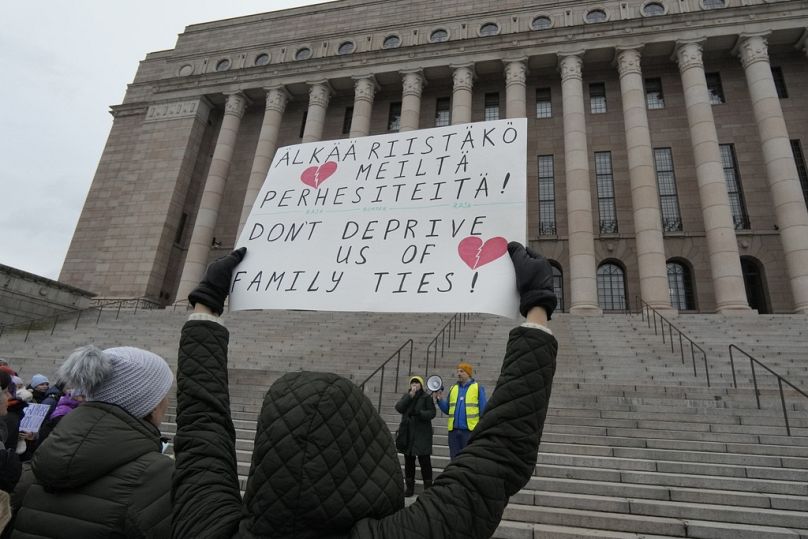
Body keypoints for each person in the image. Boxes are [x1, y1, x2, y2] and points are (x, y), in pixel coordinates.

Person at [172, 240, 558, 538]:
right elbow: (501, 453)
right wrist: (537, 307)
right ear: (366, 450)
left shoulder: (205, 524)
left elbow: (201, 427)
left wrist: (204, 304)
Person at [10, 345, 175, 537]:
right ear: (151, 405)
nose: (168, 402)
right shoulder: (158, 476)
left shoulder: (41, 460)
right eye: (164, 395)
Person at [435, 361, 488, 461]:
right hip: (454, 432)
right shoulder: (453, 388)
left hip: (469, 431)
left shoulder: (477, 388)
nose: (459, 373)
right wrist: (440, 400)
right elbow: (448, 410)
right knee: (454, 459)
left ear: (468, 373)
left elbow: (483, 410)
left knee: (468, 459)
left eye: (462, 371)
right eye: (458, 371)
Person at [394, 375, 436, 497]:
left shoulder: (426, 397)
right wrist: (410, 396)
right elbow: (399, 407)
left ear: (421, 385)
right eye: (413, 383)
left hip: (422, 434)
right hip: (408, 434)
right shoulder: (407, 396)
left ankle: (428, 488)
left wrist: (420, 413)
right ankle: (410, 488)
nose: (415, 385)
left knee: (424, 461)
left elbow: (432, 413)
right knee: (409, 462)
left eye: (417, 383)